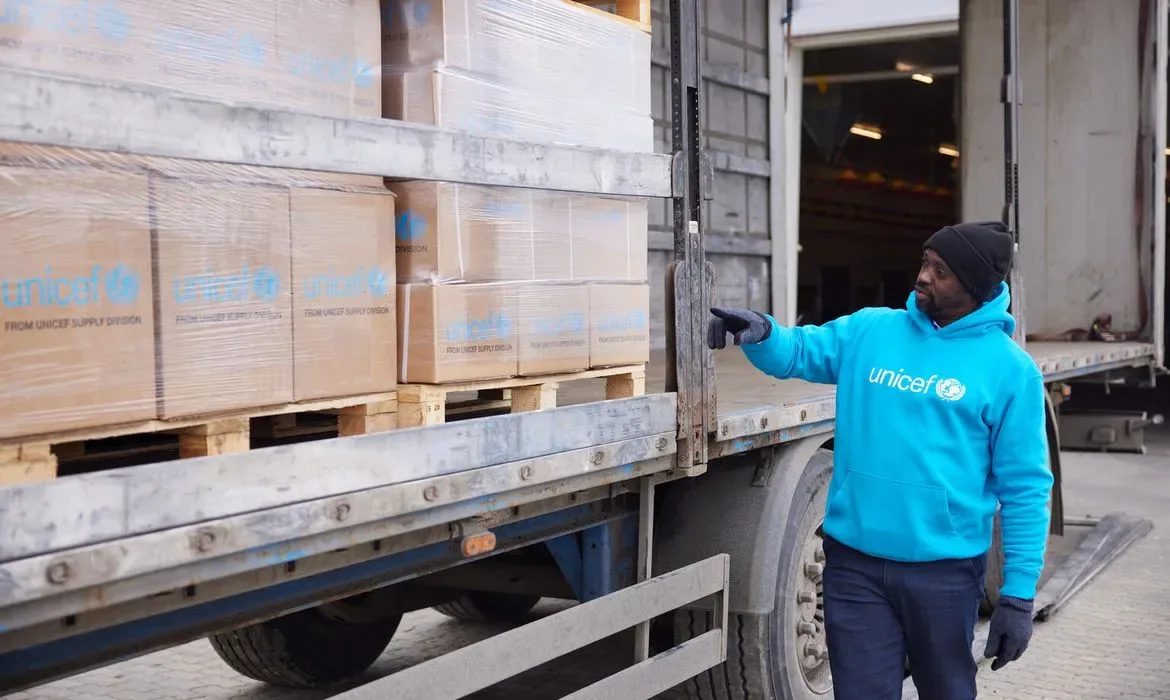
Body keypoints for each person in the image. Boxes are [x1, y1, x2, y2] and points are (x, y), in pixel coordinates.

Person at [707, 221, 1053, 700]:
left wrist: (1017, 593)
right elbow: (801, 352)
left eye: (942, 271)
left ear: (975, 288)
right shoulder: (873, 329)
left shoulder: (1010, 371)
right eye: (926, 262)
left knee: (947, 692)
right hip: (855, 568)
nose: (925, 276)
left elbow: (1026, 489)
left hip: (944, 574)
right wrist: (764, 334)